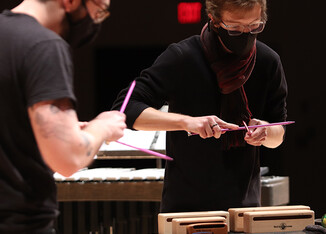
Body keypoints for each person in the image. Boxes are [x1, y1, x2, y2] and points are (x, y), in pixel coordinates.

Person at [112, 0, 287, 213]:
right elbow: (125, 108)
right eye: (234, 28)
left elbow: (279, 133)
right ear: (214, 20)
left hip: (244, 207)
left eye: (254, 26)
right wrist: (188, 122)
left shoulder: (268, 61)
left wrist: (266, 131)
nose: (245, 34)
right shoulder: (183, 57)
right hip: (185, 208)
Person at [0, 0, 126, 232]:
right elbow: (68, 158)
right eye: (98, 11)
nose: (95, 22)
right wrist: (103, 126)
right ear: (70, 1)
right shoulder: (44, 45)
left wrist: (63, 130)